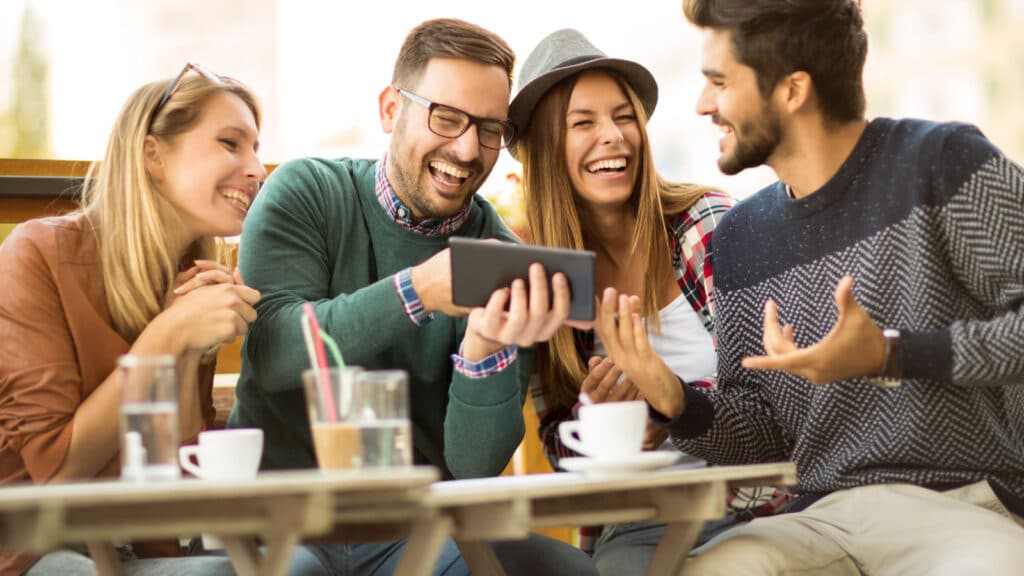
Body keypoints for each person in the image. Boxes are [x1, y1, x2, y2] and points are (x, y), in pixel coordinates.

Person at [593, 0, 1024, 573]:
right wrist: (673, 397)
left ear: (792, 90)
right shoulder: (741, 237)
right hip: (819, 518)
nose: (703, 104)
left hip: (965, 506)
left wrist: (891, 354)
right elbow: (759, 431)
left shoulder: (944, 162)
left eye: (719, 82)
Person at [229, 17, 596, 576]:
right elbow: (275, 354)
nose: (469, 148)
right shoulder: (306, 193)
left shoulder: (499, 254)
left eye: (490, 128)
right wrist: (420, 290)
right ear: (390, 109)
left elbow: (473, 469)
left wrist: (484, 347)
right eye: (446, 117)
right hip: (280, 520)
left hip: (419, 534)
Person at [507, 29, 789, 574]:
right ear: (544, 147)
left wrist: (670, 403)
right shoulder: (545, 278)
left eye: (623, 116)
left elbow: (773, 391)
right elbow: (559, 446)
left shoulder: (710, 226)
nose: (613, 136)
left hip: (750, 506)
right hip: (637, 522)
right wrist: (600, 423)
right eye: (583, 122)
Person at [0, 64, 265, 575]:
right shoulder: (38, 254)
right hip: (34, 548)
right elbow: (55, 474)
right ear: (152, 155)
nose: (256, 169)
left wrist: (187, 352)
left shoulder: (190, 283)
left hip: (135, 548)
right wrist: (166, 336)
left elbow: (173, 491)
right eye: (232, 143)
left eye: (257, 148)